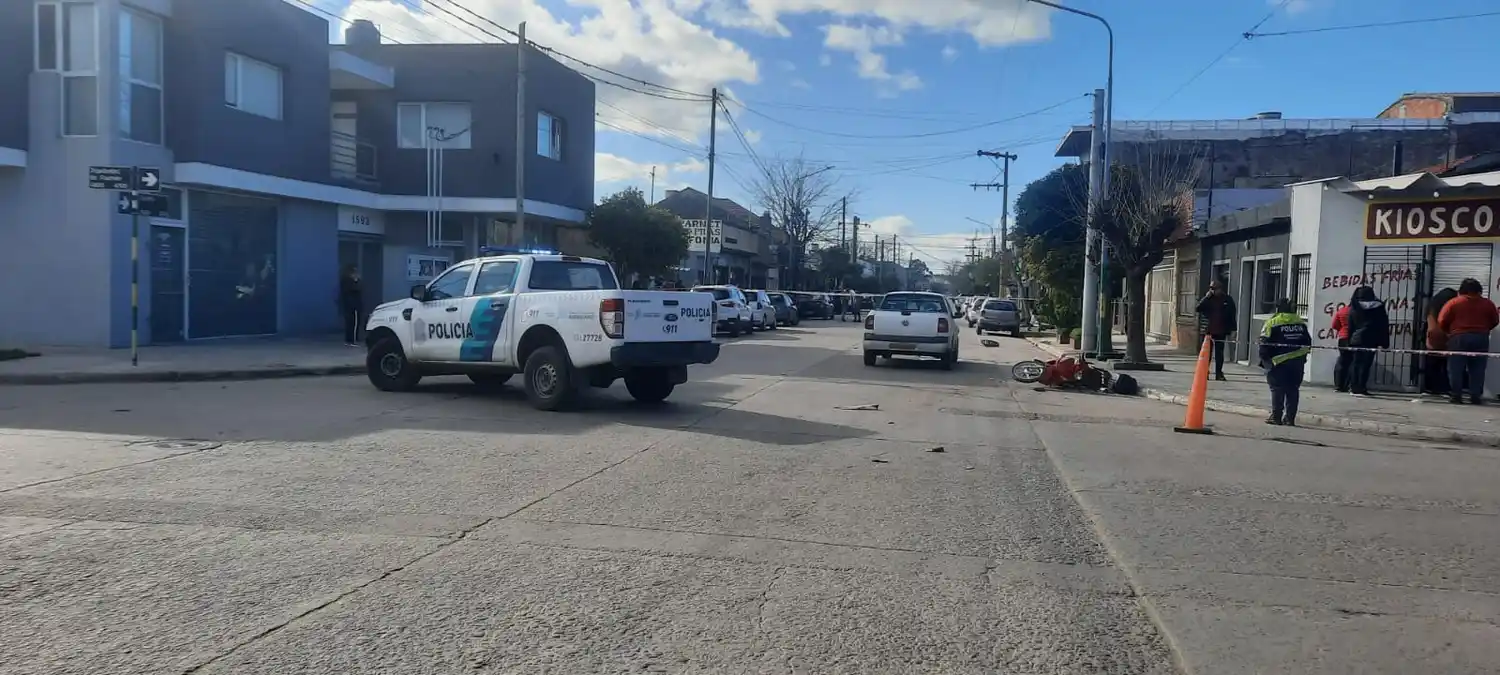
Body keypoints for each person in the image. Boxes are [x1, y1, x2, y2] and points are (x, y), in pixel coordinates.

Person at [1437, 278, 1498, 405]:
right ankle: (1475, 396)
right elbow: (1495, 320)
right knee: (1478, 369)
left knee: (1456, 368)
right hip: (1481, 338)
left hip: (1458, 337)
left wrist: (1449, 331)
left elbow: (1442, 320)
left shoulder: (1453, 303)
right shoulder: (1488, 304)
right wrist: (1483, 329)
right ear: (1479, 290)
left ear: (1461, 290)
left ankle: (1456, 395)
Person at [1259, 297, 1312, 426]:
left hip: (1278, 362)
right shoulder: (1300, 323)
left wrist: (1264, 359)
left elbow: (1264, 343)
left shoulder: (1272, 322)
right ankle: (1290, 418)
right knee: (1293, 390)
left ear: (1278, 308)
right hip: (1297, 362)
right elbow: (1308, 342)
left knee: (1277, 389)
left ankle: (1276, 417)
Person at [1345, 285, 1389, 395]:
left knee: (1355, 363)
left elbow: (1350, 326)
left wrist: (1348, 340)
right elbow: (1383, 326)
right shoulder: (1379, 307)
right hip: (1371, 339)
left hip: (1356, 339)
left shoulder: (1354, 306)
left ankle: (1353, 387)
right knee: (1366, 364)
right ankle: (1361, 387)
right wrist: (1385, 342)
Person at [1195, 280, 1237, 381]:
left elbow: (1232, 315)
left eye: (1214, 289)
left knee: (1219, 354)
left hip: (1221, 330)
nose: (1212, 291)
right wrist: (1206, 297)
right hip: (1208, 330)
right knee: (1207, 354)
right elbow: (1198, 308)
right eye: (1211, 289)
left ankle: (1219, 373)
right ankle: (1205, 372)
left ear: (1220, 289)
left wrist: (1233, 330)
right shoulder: (1208, 299)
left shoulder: (1227, 299)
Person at [1423, 287, 1459, 396]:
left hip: (1432, 338)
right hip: (1445, 338)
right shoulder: (1449, 308)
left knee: (1432, 365)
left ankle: (1431, 388)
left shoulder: (1431, 307)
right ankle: (1444, 388)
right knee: (1446, 366)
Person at [1329, 303, 1353, 392]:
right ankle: (1350, 385)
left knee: (1342, 361)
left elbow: (1334, 325)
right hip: (1354, 338)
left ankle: (1339, 385)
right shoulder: (1357, 311)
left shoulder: (1342, 310)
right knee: (1354, 362)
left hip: (1343, 338)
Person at [339, 264, 364, 347]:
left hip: (349, 305)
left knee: (350, 322)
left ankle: (349, 339)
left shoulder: (344, 280)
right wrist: (356, 281)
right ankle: (352, 340)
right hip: (352, 305)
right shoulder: (348, 281)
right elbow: (356, 289)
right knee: (353, 322)